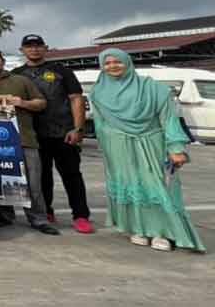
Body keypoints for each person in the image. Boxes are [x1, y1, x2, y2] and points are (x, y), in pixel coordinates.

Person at [91, 49, 205, 252]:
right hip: (117, 146)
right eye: (107, 63)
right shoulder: (98, 92)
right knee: (129, 185)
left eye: (118, 62)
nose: (112, 66)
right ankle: (138, 228)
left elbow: (169, 119)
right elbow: (100, 124)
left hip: (152, 142)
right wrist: (107, 147)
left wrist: (175, 147)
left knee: (158, 186)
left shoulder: (152, 88)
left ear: (128, 62)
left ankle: (165, 233)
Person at [12, 34, 94, 234]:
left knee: (72, 175)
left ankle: (81, 215)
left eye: (38, 46)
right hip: (34, 135)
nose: (34, 49)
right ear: (22, 50)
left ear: (46, 48)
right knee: (41, 178)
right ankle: (46, 211)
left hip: (63, 132)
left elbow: (76, 99)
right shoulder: (16, 74)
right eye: (29, 46)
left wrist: (78, 128)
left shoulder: (61, 71)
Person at [0, 47, 58, 235]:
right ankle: (4, 216)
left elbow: (41, 103)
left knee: (33, 183)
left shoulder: (21, 81)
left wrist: (23, 103)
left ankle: (38, 219)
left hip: (24, 140)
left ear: (2, 60)